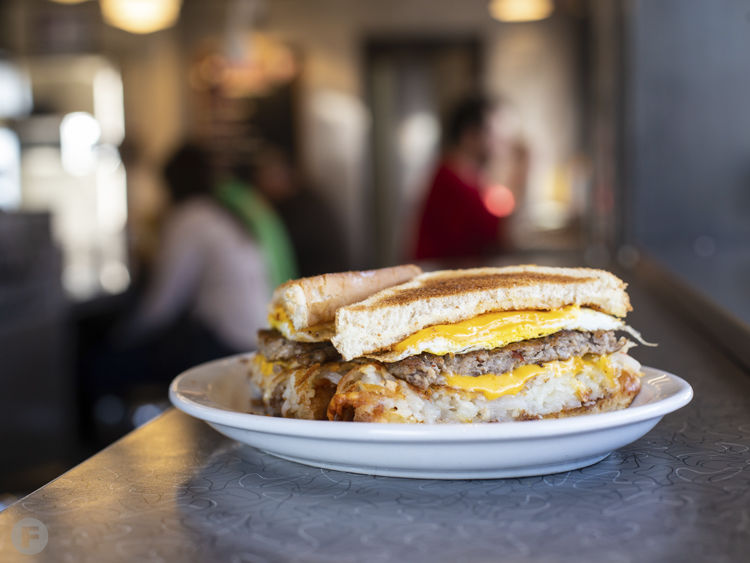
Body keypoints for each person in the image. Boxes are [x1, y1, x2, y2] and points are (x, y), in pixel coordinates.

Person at [413, 96, 507, 261]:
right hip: (440, 278)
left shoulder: (467, 175)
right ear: (469, 135)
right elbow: (491, 235)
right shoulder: (451, 181)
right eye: (491, 133)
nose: (498, 141)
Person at [249, 144, 348, 276]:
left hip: (323, 282)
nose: (262, 184)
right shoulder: (298, 201)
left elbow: (281, 246)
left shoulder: (304, 208)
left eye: (268, 176)